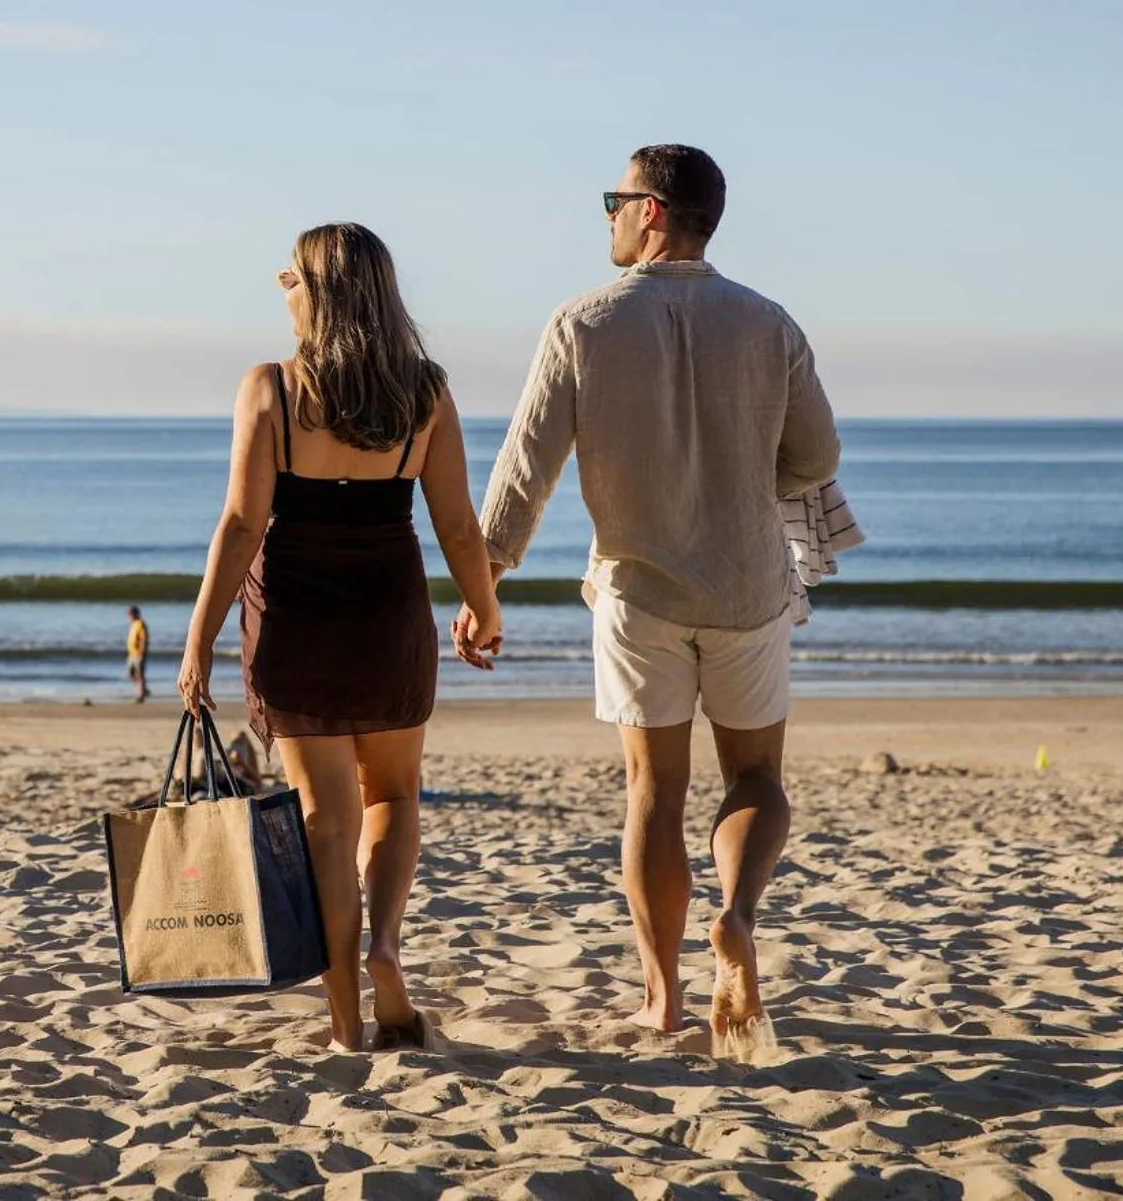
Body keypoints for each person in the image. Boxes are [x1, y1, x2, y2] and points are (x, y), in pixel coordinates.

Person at [463, 145, 841, 1040]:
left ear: (655, 212)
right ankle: (738, 916)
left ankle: (664, 995)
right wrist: (755, 468)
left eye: (615, 199)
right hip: (748, 585)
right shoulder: (769, 323)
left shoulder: (583, 323)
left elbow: (525, 469)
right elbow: (818, 457)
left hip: (638, 594)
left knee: (652, 791)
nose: (607, 215)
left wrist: (486, 583)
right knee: (755, 776)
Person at [178, 222, 503, 1053]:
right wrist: (485, 606)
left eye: (290, 277)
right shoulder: (424, 390)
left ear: (318, 293)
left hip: (294, 616)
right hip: (386, 611)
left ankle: (345, 1024)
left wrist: (199, 636)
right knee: (392, 795)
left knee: (326, 819)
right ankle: (384, 947)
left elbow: (243, 521)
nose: (281, 289)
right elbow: (460, 526)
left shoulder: (270, 389)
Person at [125, 607, 150, 704]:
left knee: (140, 675)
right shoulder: (133, 624)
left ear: (135, 614)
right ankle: (144, 690)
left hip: (139, 654)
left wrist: (142, 652)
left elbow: (144, 639)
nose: (129, 617)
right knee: (131, 674)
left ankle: (141, 695)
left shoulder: (141, 624)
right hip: (132, 654)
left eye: (130, 615)